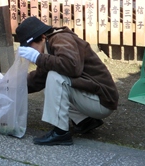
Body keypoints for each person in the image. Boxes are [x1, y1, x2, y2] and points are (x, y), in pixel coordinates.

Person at [15, 16, 118, 146]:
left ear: (42, 37)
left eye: (31, 47)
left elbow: (71, 67)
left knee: (55, 78)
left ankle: (60, 133)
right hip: (95, 97)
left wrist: (39, 58)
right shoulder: (49, 45)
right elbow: (38, 79)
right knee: (51, 79)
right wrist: (11, 86)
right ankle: (85, 121)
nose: (30, 52)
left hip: (102, 101)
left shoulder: (61, 39)